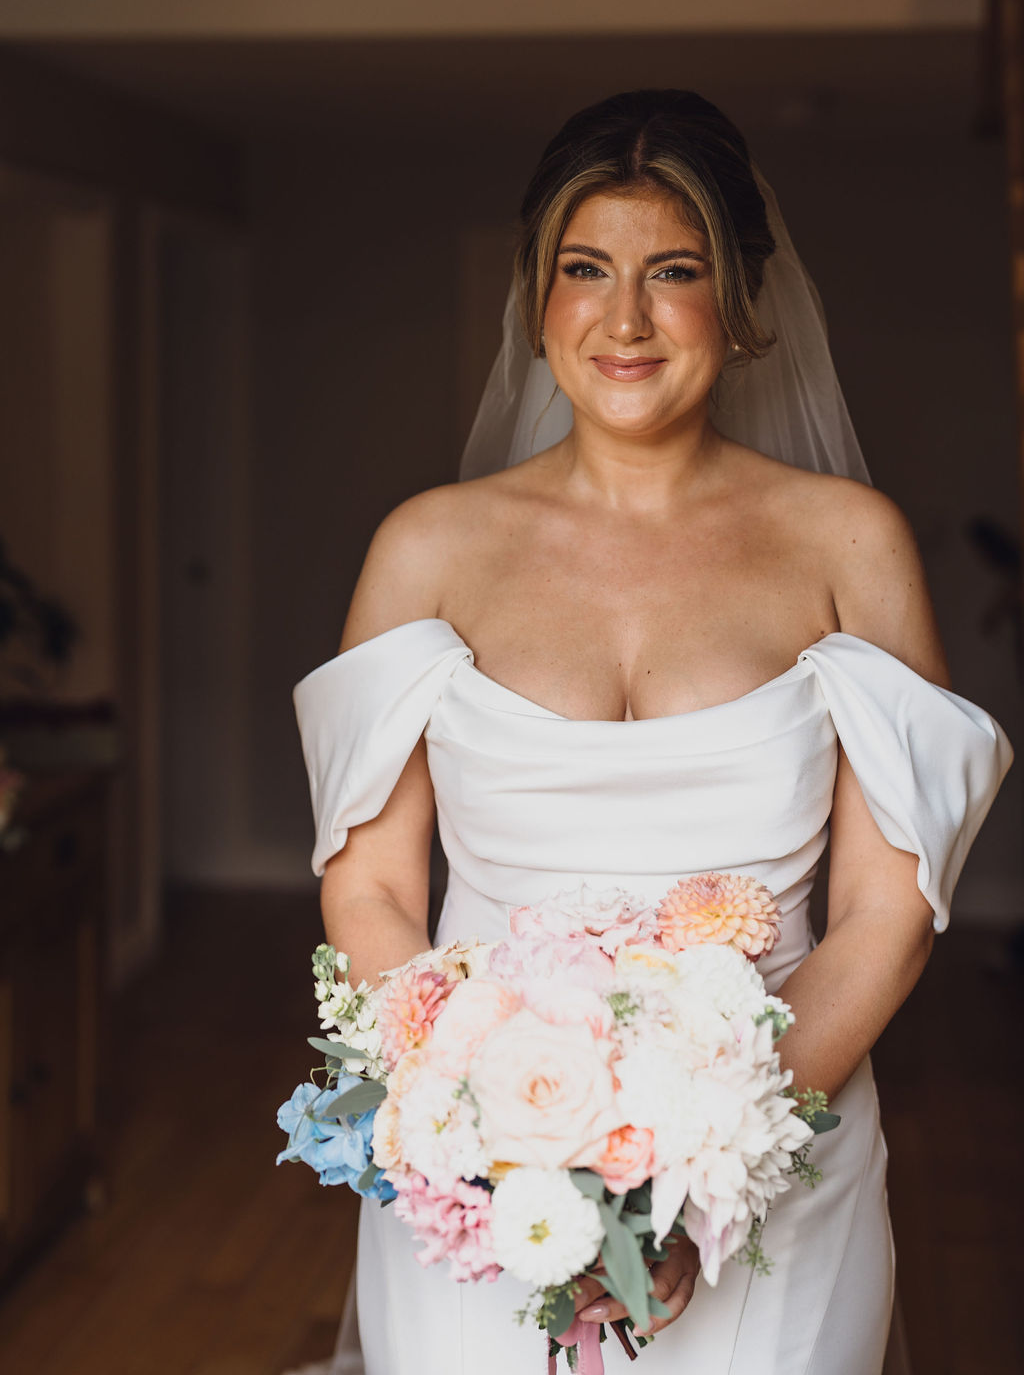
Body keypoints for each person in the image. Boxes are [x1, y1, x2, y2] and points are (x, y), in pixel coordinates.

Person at [292, 90, 1011, 1375]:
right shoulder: (427, 548)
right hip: (484, 1178)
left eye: (672, 272)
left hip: (776, 1158)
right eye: (585, 270)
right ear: (536, 297)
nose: (624, 320)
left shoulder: (850, 544)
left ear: (739, 308)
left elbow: (886, 915)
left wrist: (697, 1161)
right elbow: (374, 881)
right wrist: (491, 1134)